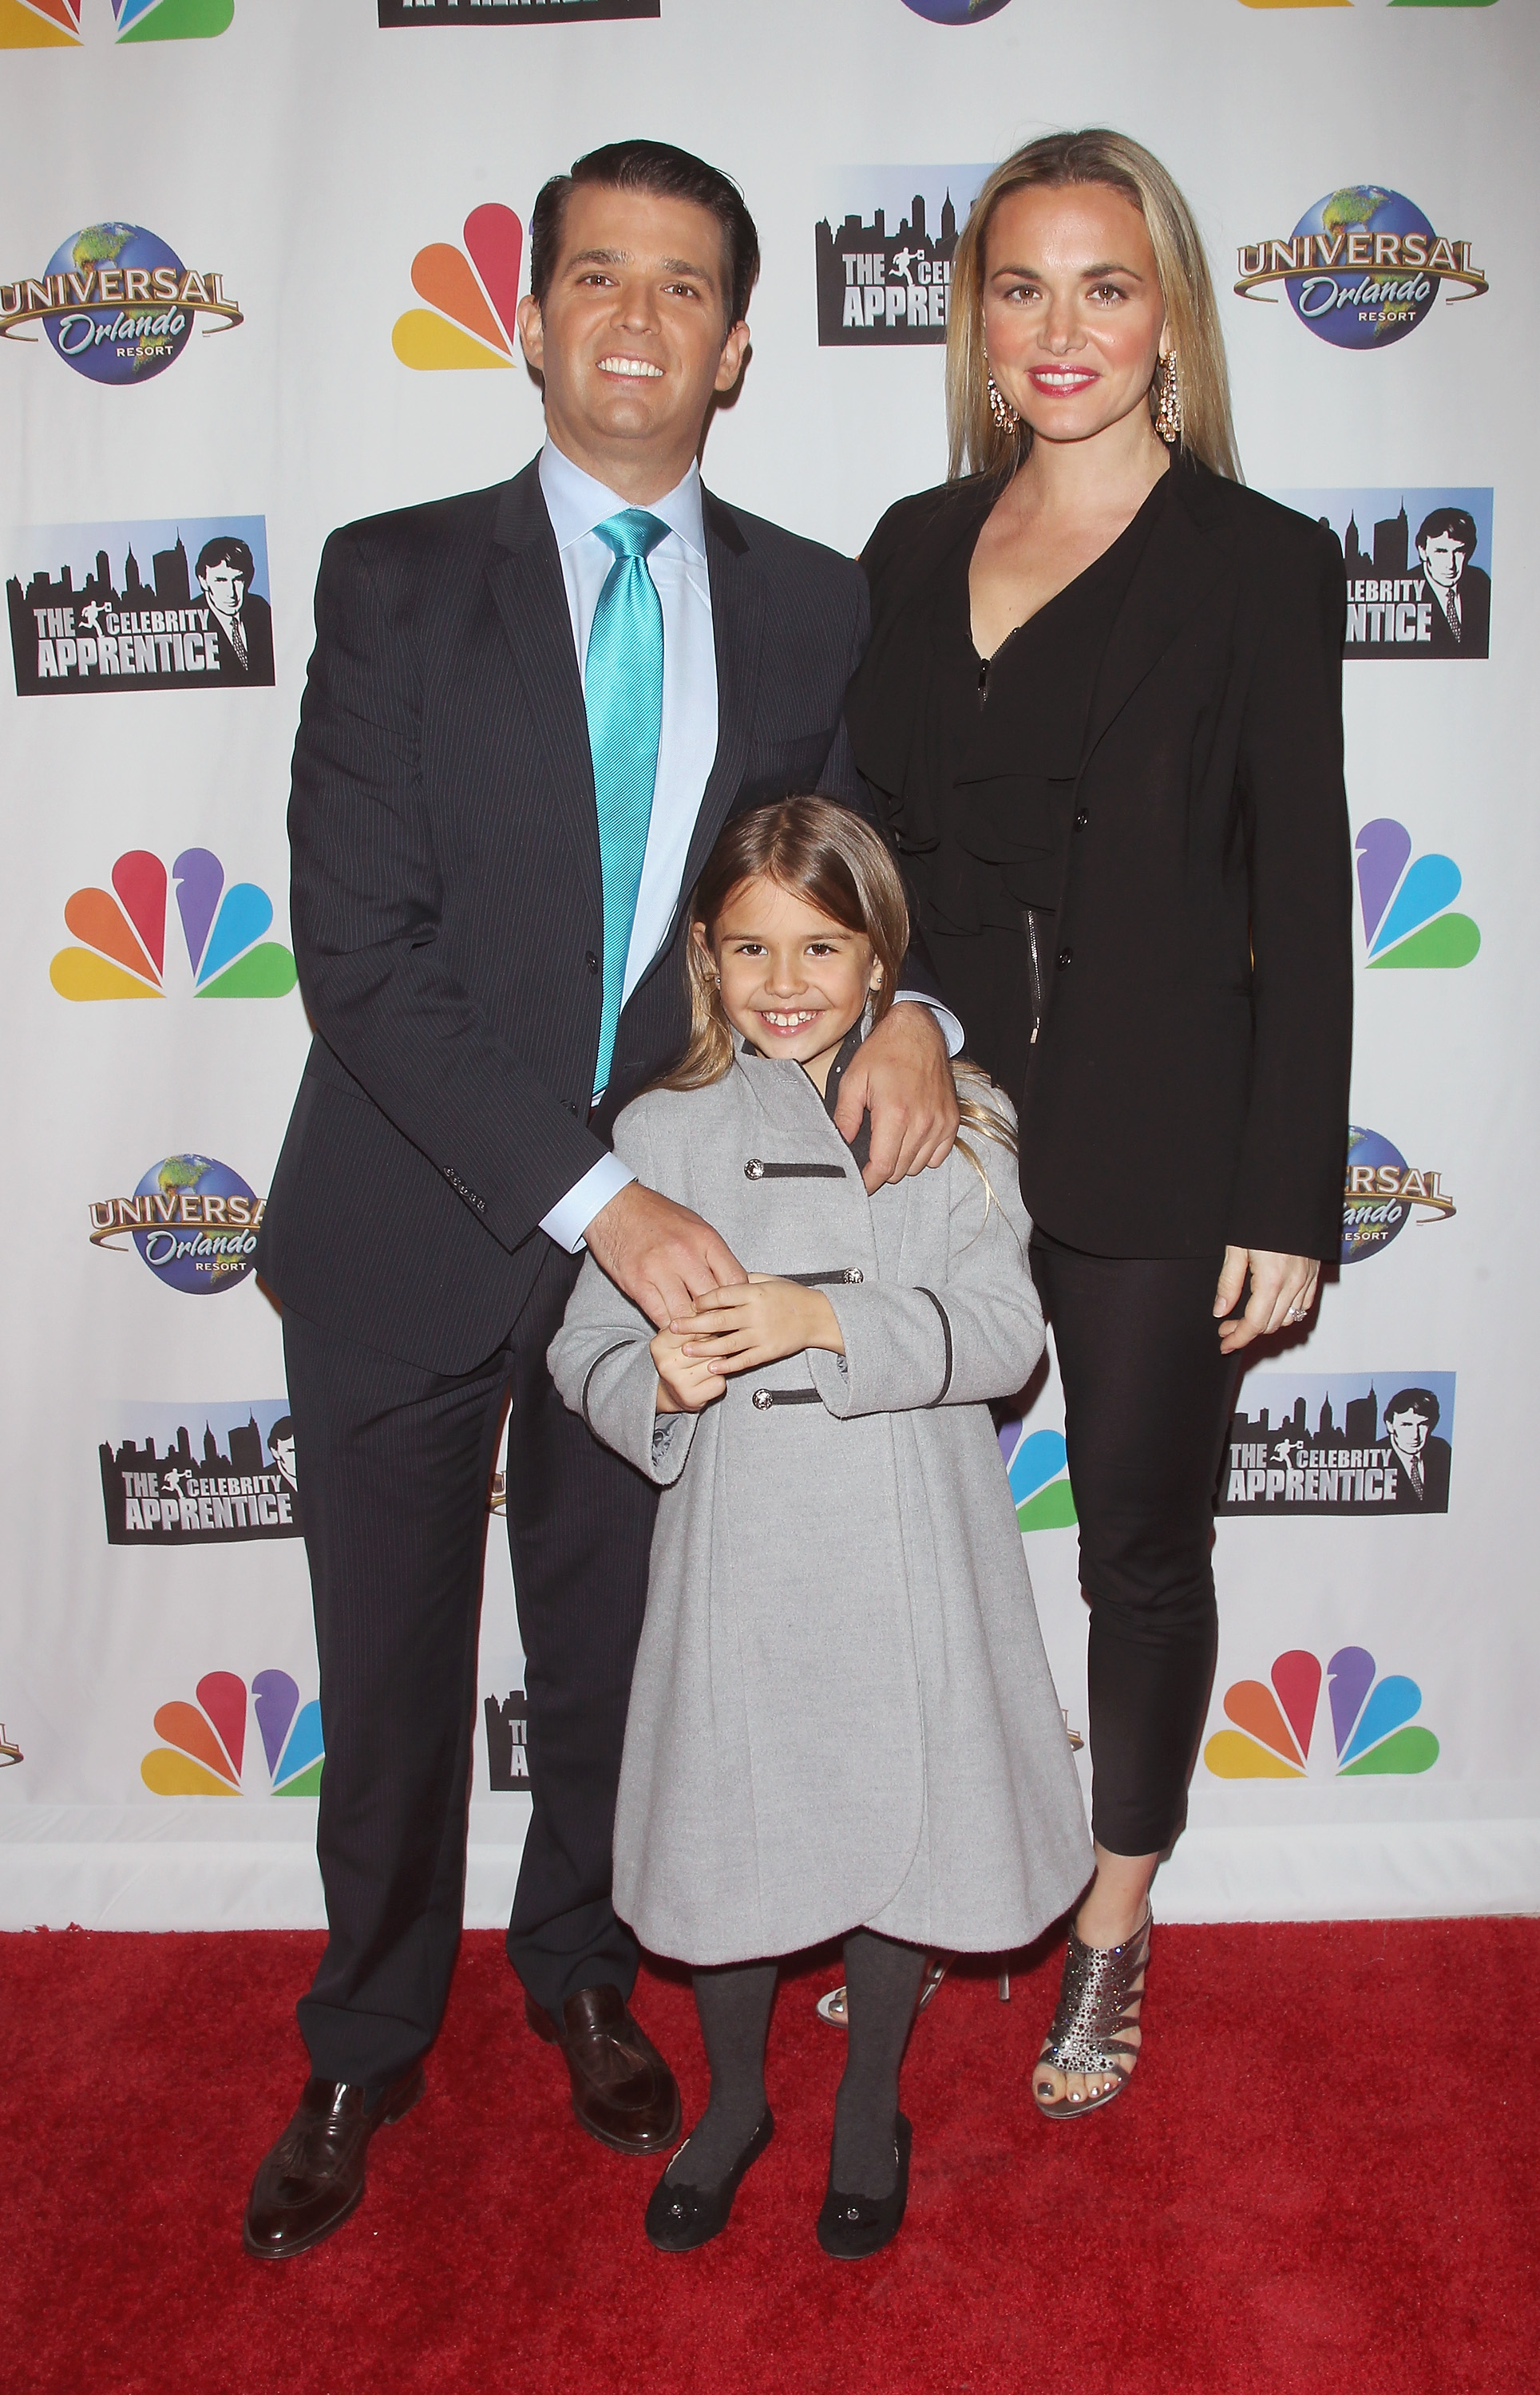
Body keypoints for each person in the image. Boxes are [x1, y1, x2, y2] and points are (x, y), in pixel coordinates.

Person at [243, 140, 959, 2262]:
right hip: (404, 1224)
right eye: (594, 276)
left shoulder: (822, 601)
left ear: (738, 346)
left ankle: (578, 1970)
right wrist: (590, 1205)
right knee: (382, 1682)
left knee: (613, 1656)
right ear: (532, 318)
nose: (635, 314)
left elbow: (835, 897)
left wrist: (901, 1009)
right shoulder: (389, 578)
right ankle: (365, 2034)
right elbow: (358, 951)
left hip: (675, 1242)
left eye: (682, 286)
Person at [845, 130, 1352, 2116]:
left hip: (1158, 1125)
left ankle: (1111, 1928)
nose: (1061, 331)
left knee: (1135, 1547)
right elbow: (868, 850)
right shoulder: (905, 543)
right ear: (976, 323)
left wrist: (1281, 1184)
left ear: (1169, 323)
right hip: (929, 1115)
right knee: (900, 1521)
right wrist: (883, 1013)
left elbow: (1295, 897)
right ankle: (925, 1871)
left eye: (1105, 286)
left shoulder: (1258, 563)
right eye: (1020, 287)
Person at [549, 798, 1091, 2258]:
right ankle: (733, 2105)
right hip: (735, 1553)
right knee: (734, 1845)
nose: (783, 980)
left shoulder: (955, 1115)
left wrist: (816, 1320)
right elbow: (581, 1344)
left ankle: (867, 2102)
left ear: (877, 963)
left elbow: (1000, 1334)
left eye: (819, 946)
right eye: (748, 948)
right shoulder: (652, 1130)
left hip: (910, 1539)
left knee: (896, 1830)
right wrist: (645, 1378)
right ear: (703, 961)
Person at [195, 535, 275, 683]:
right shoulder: (190, 619)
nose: (231, 593)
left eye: (238, 579)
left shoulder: (261, 609)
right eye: (220, 580)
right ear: (203, 581)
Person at [1415, 506, 1490, 658]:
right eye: (1441, 551)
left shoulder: (1481, 582)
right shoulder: (1403, 588)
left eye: (1458, 551)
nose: (1451, 564)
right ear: (1423, 551)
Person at [1382, 1388, 1451, 1511]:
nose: (1415, 1435)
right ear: (1390, 1425)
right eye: (1406, 1425)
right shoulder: (1372, 1456)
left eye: (1423, 1425)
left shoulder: (1442, 1450)